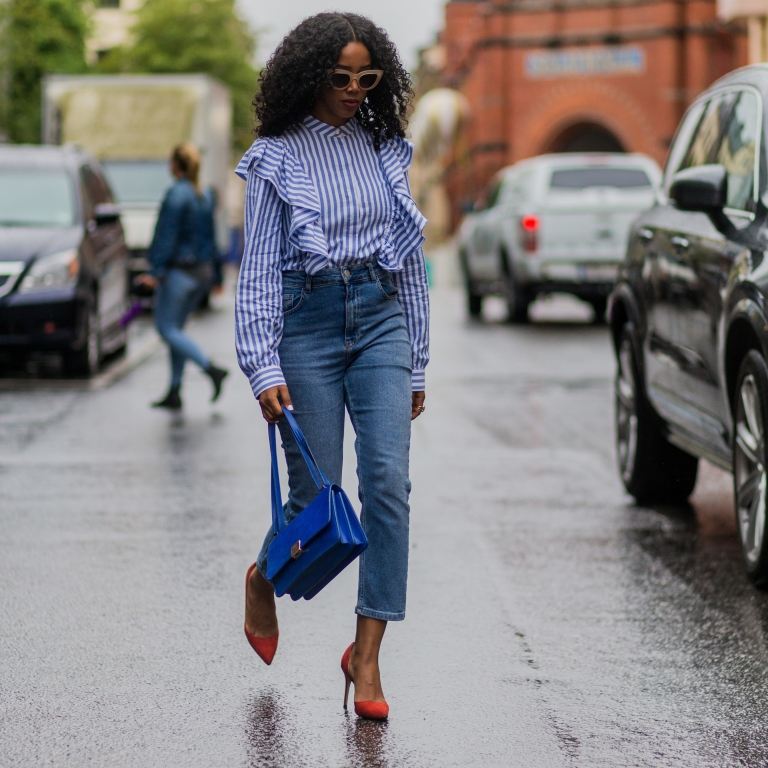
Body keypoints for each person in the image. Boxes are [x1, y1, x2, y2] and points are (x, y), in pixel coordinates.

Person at [235, 12, 429, 721]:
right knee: (313, 501)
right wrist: (260, 363)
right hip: (305, 324)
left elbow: (408, 261)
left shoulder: (386, 148)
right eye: (340, 76)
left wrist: (418, 363)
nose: (353, 89)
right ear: (311, 72)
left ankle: (367, 655)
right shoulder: (276, 156)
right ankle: (263, 577)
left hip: (380, 317)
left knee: (388, 484)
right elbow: (256, 268)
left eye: (366, 77)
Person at [139, 143, 228, 410]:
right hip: (202, 273)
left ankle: (210, 368)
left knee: (166, 329)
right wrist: (218, 276)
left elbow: (166, 236)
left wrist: (155, 271)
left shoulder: (176, 194)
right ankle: (175, 390)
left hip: (179, 273)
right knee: (176, 329)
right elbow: (213, 238)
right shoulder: (204, 194)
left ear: (175, 165)